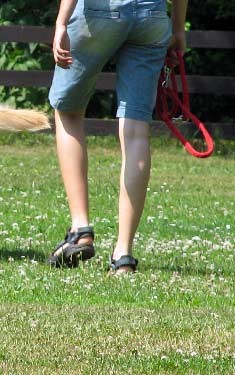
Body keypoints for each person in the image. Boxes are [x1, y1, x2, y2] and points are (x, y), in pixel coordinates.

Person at [46, 0, 188, 273]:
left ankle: (80, 229)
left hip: (99, 13)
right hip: (151, 15)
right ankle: (123, 255)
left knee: (68, 113)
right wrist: (178, 28)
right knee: (136, 130)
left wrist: (61, 22)